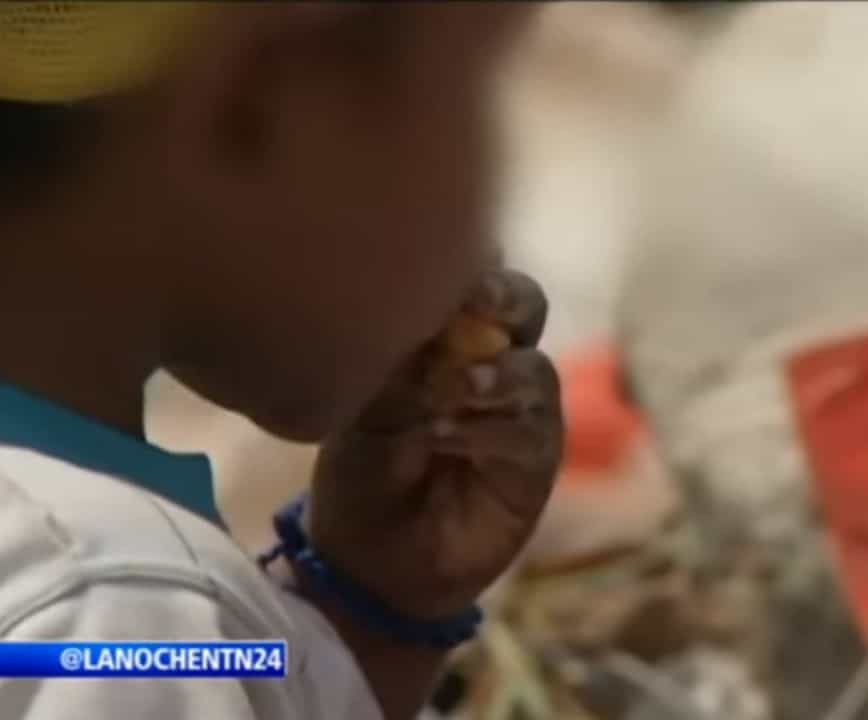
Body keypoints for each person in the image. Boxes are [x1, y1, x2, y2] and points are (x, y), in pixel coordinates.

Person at [0, 4, 561, 720]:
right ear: (255, 96)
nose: (492, 243)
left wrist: (365, 613)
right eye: (475, 86)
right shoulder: (117, 610)